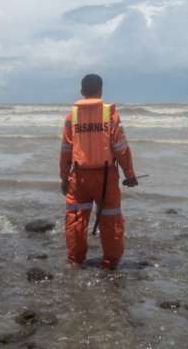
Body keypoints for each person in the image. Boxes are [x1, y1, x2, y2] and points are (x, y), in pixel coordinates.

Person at [59, 74, 138, 270]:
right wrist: (129, 174)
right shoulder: (110, 115)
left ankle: (75, 261)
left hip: (78, 175)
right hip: (106, 177)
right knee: (110, 220)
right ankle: (110, 263)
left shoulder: (72, 116)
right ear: (101, 90)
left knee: (76, 218)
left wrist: (63, 178)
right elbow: (120, 148)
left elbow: (65, 151)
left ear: (82, 91)